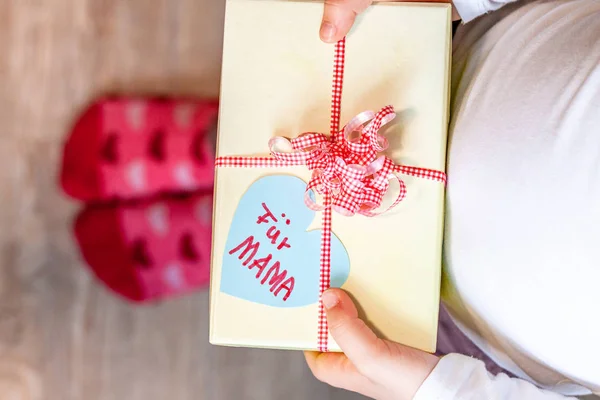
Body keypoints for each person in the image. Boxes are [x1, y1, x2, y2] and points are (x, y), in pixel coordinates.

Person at [305, 0, 600, 399]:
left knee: (306, 275)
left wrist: (442, 389)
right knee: (288, 133)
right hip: (435, 49)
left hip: (461, 336)